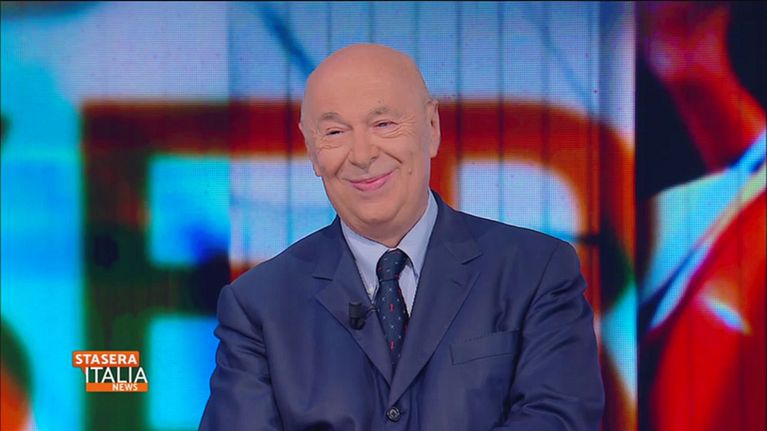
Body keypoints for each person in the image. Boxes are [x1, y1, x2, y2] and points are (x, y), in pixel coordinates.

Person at [200, 44, 604, 430]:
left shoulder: (536, 270)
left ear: (431, 127)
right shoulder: (258, 305)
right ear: (311, 150)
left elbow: (559, 419)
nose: (362, 155)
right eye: (335, 132)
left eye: (384, 124)